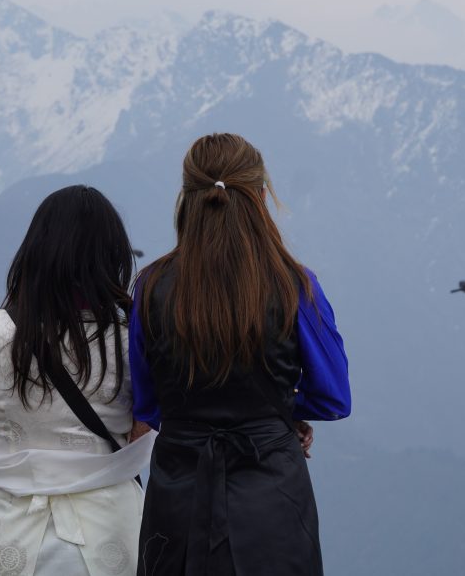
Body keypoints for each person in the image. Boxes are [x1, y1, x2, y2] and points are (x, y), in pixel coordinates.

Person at [130, 133, 351, 576]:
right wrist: (279, 410)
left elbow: (147, 403)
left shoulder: (151, 285)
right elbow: (333, 397)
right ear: (262, 196)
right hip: (274, 498)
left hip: (177, 497)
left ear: (187, 199)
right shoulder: (296, 286)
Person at [0, 185, 154, 576]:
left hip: (10, 527)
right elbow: (146, 426)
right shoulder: (136, 340)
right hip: (111, 529)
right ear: (113, 258)